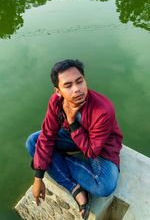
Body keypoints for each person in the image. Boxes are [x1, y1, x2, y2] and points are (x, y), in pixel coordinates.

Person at [26, 59, 123, 219]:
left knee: (105, 187)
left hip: (100, 147)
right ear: (58, 91)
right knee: (32, 142)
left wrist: (71, 121)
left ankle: (54, 159)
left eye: (80, 82)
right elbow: (48, 134)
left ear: (85, 81)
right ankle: (75, 189)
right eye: (68, 85)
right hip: (73, 137)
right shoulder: (56, 101)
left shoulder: (103, 110)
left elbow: (91, 151)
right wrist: (38, 177)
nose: (77, 89)